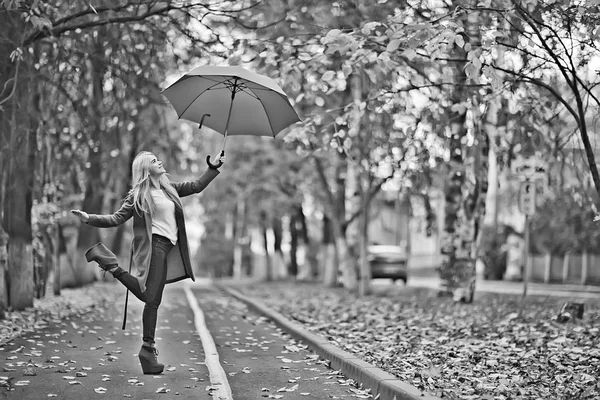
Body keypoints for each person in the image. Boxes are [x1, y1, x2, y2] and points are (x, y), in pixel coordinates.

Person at [71, 150, 224, 374]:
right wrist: (89, 218)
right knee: (150, 297)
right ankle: (110, 264)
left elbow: (196, 186)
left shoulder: (169, 188)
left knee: (152, 301)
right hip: (155, 248)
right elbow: (116, 219)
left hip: (167, 247)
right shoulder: (139, 196)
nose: (159, 161)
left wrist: (213, 167)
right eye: (154, 161)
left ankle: (147, 351)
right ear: (145, 169)